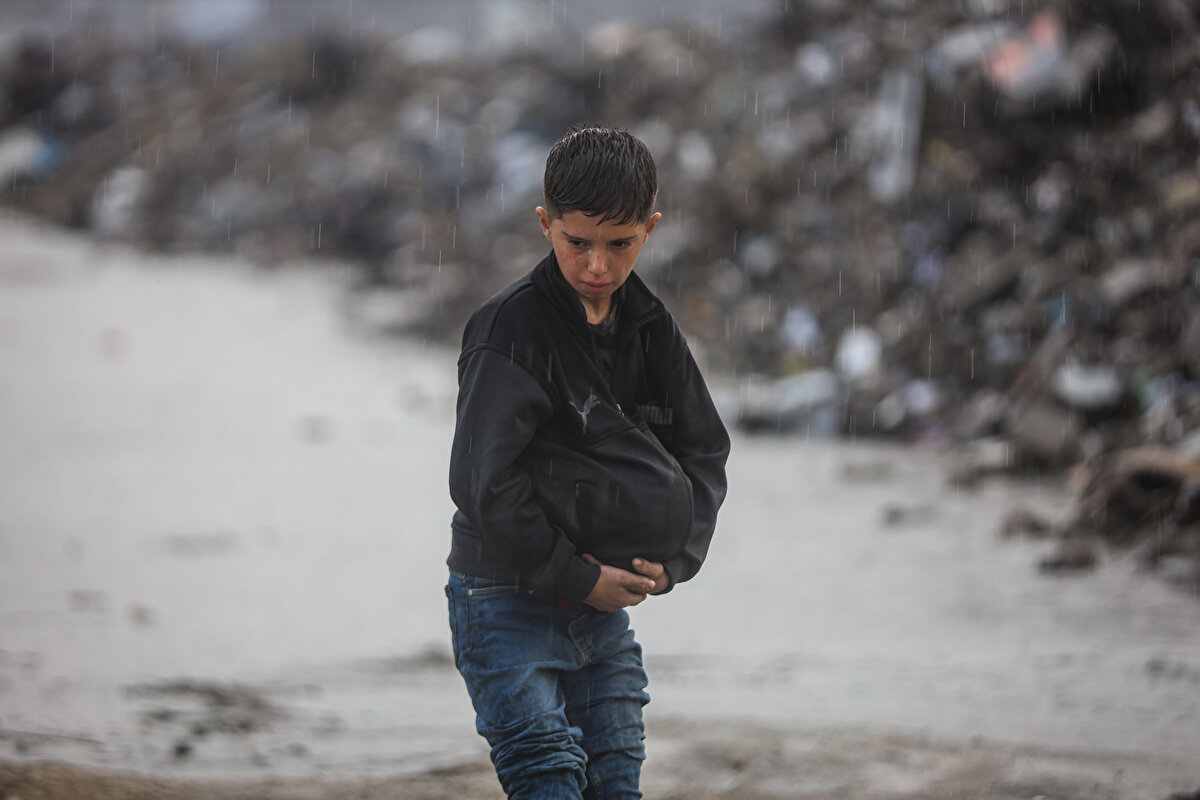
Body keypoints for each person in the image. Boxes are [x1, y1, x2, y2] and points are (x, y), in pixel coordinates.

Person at [446, 125, 730, 799]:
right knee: (548, 779)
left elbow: (704, 447)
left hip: (603, 613)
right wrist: (572, 574)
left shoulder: (651, 327)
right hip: (504, 600)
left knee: (615, 785)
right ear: (546, 224)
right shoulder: (508, 330)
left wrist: (676, 561)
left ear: (650, 229)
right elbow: (486, 482)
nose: (597, 265)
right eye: (578, 242)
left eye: (619, 244)